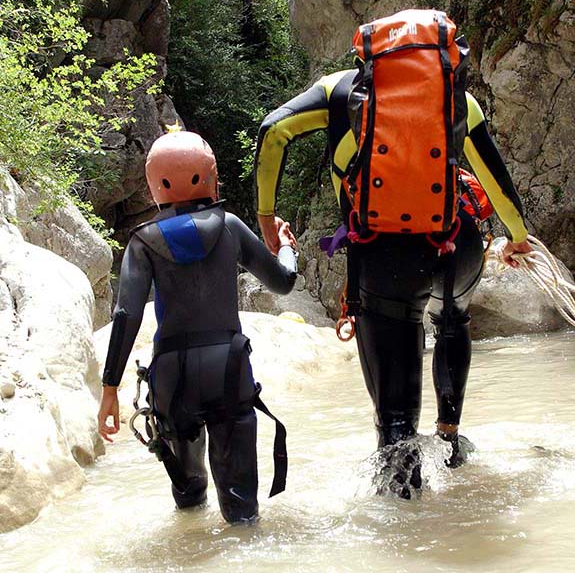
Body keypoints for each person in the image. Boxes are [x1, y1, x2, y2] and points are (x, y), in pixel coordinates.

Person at [253, 29, 532, 496]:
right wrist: (518, 237)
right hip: (455, 244)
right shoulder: (456, 98)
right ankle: (449, 439)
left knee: (396, 424)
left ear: (370, 54)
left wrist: (265, 217)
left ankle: (402, 507)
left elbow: (273, 131)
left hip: (384, 256)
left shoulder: (337, 91)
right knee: (452, 319)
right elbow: (496, 181)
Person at [97, 129, 297, 523]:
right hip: (229, 368)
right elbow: (283, 282)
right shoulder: (231, 227)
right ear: (210, 176)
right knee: (241, 509)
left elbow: (126, 315)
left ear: (156, 185)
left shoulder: (141, 242)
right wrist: (287, 246)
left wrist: (109, 390)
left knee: (188, 496)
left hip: (173, 379)